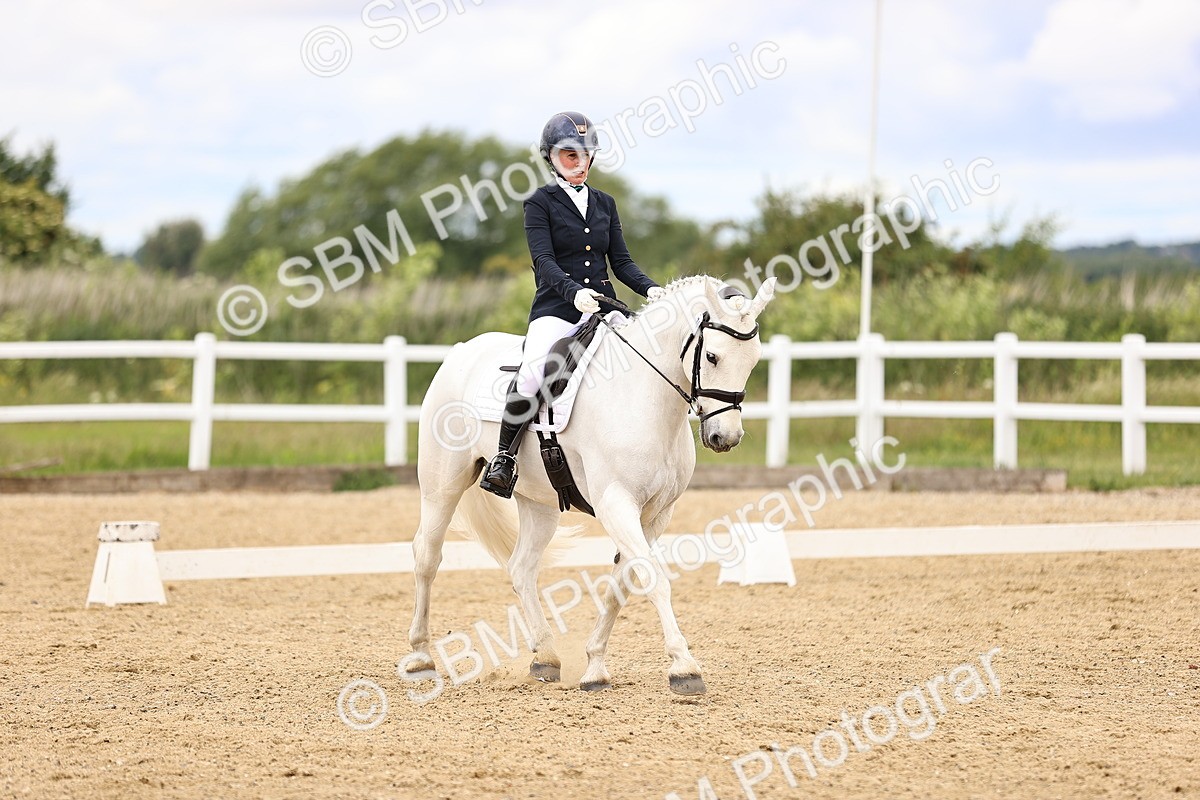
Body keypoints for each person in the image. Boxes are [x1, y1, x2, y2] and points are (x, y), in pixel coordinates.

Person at [479, 111, 666, 498]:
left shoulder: (605, 203)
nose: (580, 164)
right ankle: (504, 459)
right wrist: (572, 293)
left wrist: (651, 290)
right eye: (570, 156)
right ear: (550, 157)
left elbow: (622, 263)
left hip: (603, 307)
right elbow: (543, 262)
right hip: (556, 308)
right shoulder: (539, 203)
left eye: (586, 155)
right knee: (533, 372)